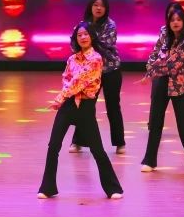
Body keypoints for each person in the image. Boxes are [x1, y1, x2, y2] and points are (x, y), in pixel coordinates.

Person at [38, 22, 124, 200]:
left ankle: (113, 188)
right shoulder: (72, 59)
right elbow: (66, 78)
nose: (83, 37)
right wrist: (65, 97)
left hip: (85, 108)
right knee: (53, 145)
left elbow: (80, 81)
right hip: (69, 105)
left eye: (86, 34)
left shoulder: (96, 59)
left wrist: (59, 98)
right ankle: (47, 188)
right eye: (79, 35)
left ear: (91, 36)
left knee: (97, 150)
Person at [140, 4, 184, 174]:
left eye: (178, 19)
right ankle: (149, 160)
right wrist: (150, 68)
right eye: (172, 20)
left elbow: (172, 65)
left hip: (179, 85)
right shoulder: (165, 34)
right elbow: (155, 53)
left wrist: (151, 72)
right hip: (161, 81)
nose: (175, 22)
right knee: (155, 122)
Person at [70, 0, 125, 154]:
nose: (98, 8)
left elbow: (103, 45)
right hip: (90, 72)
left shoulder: (110, 25)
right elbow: (74, 43)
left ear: (106, 9)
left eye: (102, 5)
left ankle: (120, 143)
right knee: (86, 105)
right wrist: (82, 43)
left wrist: (86, 42)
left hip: (111, 70)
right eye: (95, 5)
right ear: (90, 7)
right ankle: (78, 141)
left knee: (113, 106)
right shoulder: (83, 24)